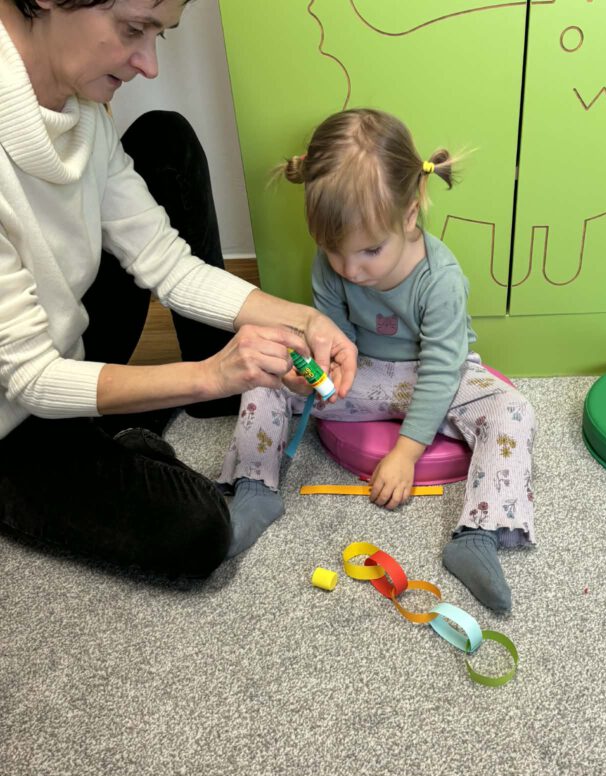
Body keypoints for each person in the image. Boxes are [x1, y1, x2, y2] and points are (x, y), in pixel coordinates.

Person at [0, 0, 357, 578]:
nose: (149, 64)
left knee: (167, 140)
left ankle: (179, 404)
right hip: (13, 414)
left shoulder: (83, 108)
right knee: (200, 530)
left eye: (160, 35)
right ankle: (133, 423)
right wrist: (210, 372)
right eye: (133, 29)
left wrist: (304, 320)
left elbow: (168, 263)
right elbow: (31, 379)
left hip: (62, 346)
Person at [219, 108, 536, 613]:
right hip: (362, 373)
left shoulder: (440, 279)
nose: (350, 269)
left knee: (513, 409)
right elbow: (334, 335)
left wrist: (406, 452)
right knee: (265, 368)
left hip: (436, 375)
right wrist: (315, 372)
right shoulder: (332, 265)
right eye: (334, 250)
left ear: (409, 215)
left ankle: (478, 533)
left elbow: (442, 368)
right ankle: (255, 486)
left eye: (369, 251)